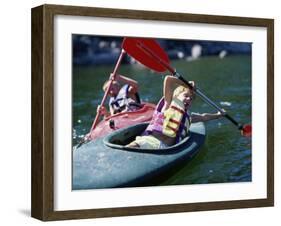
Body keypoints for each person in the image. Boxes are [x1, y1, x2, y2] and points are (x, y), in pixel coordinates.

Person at [127, 75, 225, 149]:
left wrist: (218, 115)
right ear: (176, 96)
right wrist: (185, 84)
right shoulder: (168, 103)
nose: (189, 99)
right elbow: (168, 80)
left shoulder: (188, 117)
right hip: (150, 142)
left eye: (191, 98)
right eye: (186, 96)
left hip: (166, 149)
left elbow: (204, 117)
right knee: (132, 147)